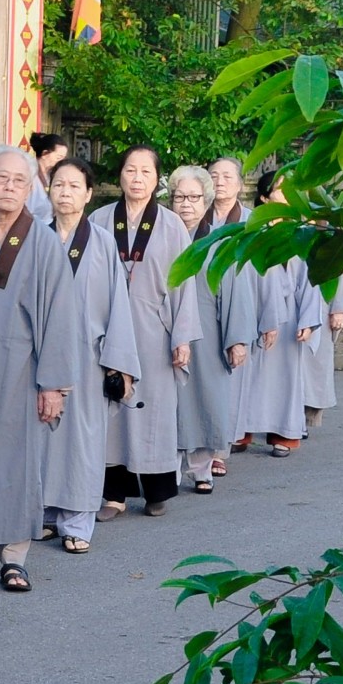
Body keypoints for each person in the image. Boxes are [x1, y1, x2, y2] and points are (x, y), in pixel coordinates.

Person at [0, 146, 82, 593]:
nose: (8, 187)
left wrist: (54, 385)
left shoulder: (43, 243)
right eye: (1, 178)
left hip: (20, 369)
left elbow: (61, 316)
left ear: (31, 189)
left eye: (18, 181)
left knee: (17, 460)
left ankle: (14, 554)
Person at [90, 145, 201, 517]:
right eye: (130, 171)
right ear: (119, 175)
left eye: (146, 173)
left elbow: (185, 285)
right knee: (112, 410)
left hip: (155, 329)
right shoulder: (100, 220)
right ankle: (114, 495)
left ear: (158, 180)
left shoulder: (171, 225)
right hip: (108, 329)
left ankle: (157, 491)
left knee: (154, 409)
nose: (137, 179)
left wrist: (182, 336)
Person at [40, 156, 140, 552]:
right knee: (44, 437)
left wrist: (120, 364)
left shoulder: (100, 243)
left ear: (88, 194)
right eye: (58, 185)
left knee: (82, 441)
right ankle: (46, 514)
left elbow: (119, 306)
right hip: (43, 356)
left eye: (73, 186)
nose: (65, 193)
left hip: (88, 358)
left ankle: (78, 523)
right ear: (49, 190)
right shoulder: (37, 238)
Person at [168, 164, 256, 495]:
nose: (186, 205)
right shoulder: (162, 236)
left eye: (193, 197)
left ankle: (202, 467)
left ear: (206, 201)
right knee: (171, 402)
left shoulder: (219, 241)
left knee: (207, 399)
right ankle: (169, 467)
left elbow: (236, 292)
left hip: (208, 332)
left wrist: (237, 340)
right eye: (179, 197)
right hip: (169, 331)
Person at [238, 167, 314, 457]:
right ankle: (241, 429)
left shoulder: (302, 232)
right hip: (253, 309)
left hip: (289, 313)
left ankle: (283, 433)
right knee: (246, 373)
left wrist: (308, 319)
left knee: (284, 376)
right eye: (280, 190)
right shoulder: (251, 231)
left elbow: (311, 278)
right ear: (264, 198)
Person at [302, 254, 343, 432]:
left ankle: (307, 418)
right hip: (292, 302)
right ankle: (286, 421)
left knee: (316, 365)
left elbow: (341, 267)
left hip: (322, 302)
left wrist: (339, 308)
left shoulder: (332, 232)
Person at [25, 130, 68, 223]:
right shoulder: (28, 173)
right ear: (45, 154)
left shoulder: (53, 175)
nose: (62, 162)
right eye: (59, 157)